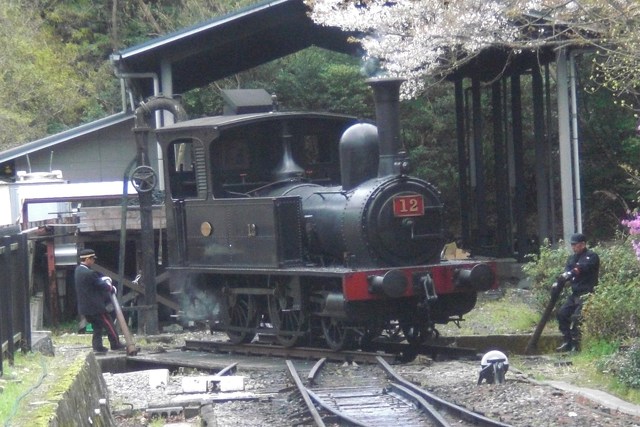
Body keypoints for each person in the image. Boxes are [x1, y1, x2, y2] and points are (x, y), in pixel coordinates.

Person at [553, 233, 600, 352]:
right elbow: (567, 273)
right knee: (562, 313)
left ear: (583, 244)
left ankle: (576, 344)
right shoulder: (572, 258)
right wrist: (559, 281)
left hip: (587, 293)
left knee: (577, 318)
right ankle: (567, 341)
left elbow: (582, 268)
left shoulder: (591, 256)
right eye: (572, 245)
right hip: (575, 293)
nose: (574, 247)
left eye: (576, 245)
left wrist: (571, 273)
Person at [74, 249, 125, 352]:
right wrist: (112, 288)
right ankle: (115, 344)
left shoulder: (78, 270)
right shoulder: (89, 273)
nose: (94, 262)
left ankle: (98, 347)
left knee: (97, 326)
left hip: (85, 308)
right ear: (88, 259)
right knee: (109, 324)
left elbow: (93, 284)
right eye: (93, 259)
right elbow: (102, 285)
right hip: (95, 308)